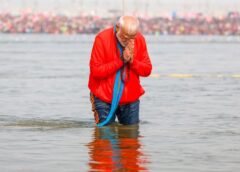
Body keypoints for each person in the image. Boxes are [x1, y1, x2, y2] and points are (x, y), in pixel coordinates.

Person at [88, 15, 152, 126]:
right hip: (103, 96)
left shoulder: (140, 39)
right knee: (104, 139)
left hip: (130, 98)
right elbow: (96, 72)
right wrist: (121, 60)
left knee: (131, 139)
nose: (128, 41)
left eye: (132, 37)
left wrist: (132, 61)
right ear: (117, 27)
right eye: (125, 37)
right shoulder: (102, 39)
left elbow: (147, 70)